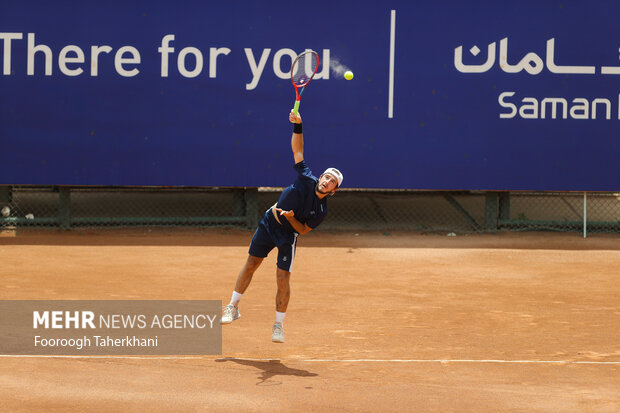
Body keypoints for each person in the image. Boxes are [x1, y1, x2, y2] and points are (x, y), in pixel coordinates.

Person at [221, 110, 343, 343]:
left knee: (282, 278)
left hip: (288, 235)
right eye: (326, 177)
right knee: (251, 263)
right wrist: (298, 126)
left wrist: (290, 219)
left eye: (332, 182)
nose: (326, 181)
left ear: (333, 191)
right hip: (269, 223)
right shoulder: (306, 177)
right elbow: (298, 150)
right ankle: (232, 307)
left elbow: (304, 229)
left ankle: (278, 324)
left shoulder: (322, 211)